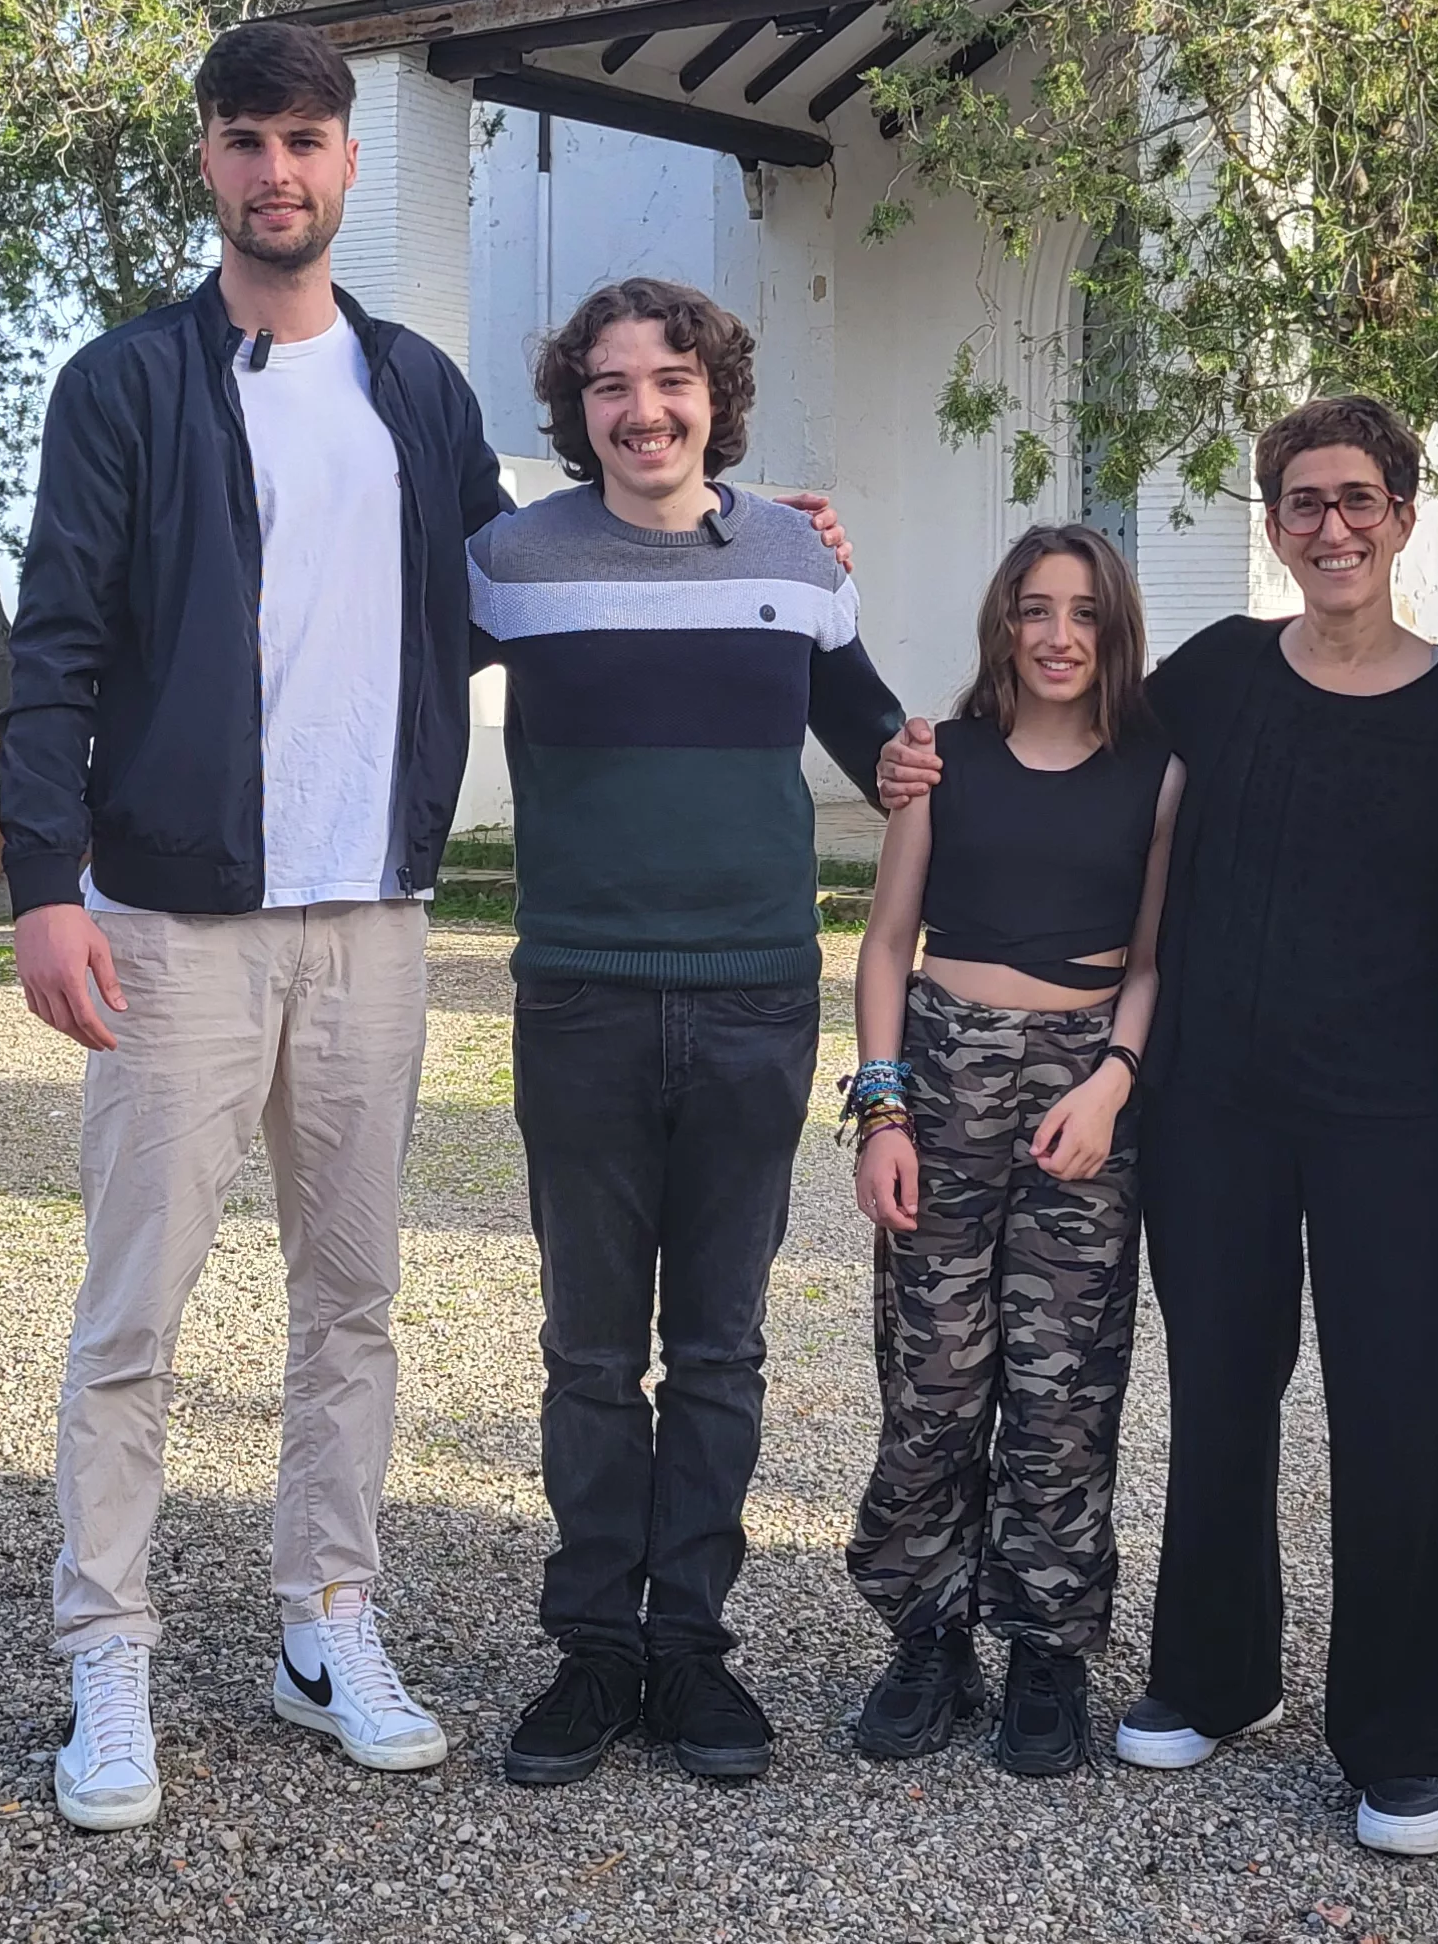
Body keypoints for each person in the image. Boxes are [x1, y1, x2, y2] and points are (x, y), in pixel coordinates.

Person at [0, 29, 860, 1827]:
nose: (278, 172)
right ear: (213, 163)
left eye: (306, 139)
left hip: (374, 918)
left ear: (343, 164)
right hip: (174, 920)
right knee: (135, 1312)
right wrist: (39, 885)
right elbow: (56, 646)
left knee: (353, 1302)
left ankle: (327, 1620)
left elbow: (539, 575)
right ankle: (110, 1651)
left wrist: (750, 536)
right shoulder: (127, 385)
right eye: (247, 142)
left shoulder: (414, 391)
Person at [885, 397, 1438, 1854]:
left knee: (1403, 1416)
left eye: (1361, 499)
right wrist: (906, 754)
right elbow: (1064, 735)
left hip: (1398, 1115)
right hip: (1217, 1103)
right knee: (1223, 1394)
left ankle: (1406, 1736)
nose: (1334, 528)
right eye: (1304, 503)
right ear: (1275, 522)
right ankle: (1215, 1673)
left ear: (1404, 516)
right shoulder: (1221, 677)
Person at [468, 277, 906, 1788]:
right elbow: (367, 679)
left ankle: (692, 1651)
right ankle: (595, 1646)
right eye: (608, 385)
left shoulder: (792, 555)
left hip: (756, 998)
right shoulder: (509, 562)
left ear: (717, 392)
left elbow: (886, 747)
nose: (642, 409)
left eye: (671, 380)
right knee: (592, 1352)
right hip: (578, 996)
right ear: (574, 406)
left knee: (719, 1349)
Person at [839, 526, 1179, 1779]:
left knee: (1062, 1387)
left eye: (1082, 613)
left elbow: (1151, 958)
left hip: (1084, 1087)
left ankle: (1046, 1642)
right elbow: (884, 945)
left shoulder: (1155, 771)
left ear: (1112, 630)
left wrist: (1113, 1080)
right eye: (1034, 610)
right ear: (1004, 623)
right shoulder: (944, 757)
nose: (1056, 635)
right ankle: (927, 1632)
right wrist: (881, 1110)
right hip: (942, 1071)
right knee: (932, 1380)